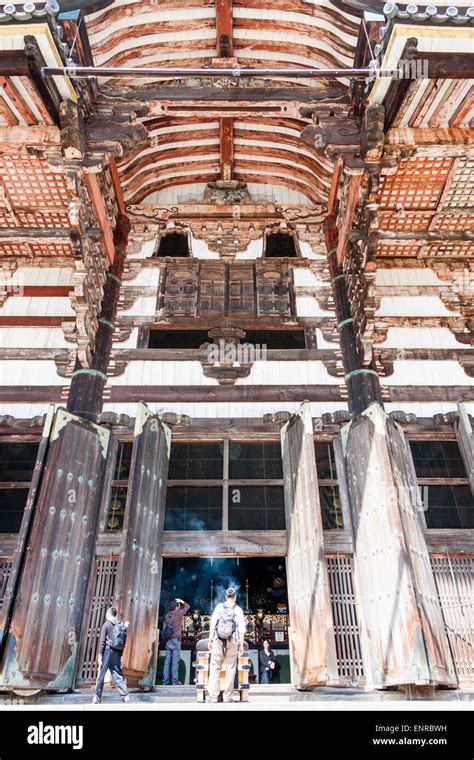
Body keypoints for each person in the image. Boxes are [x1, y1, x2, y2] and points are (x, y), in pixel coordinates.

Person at [207, 587, 246, 704]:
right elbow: (242, 629)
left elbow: (213, 624)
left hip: (218, 640)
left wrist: (210, 640)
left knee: (215, 667)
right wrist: (241, 644)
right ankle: (227, 697)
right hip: (233, 640)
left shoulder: (219, 607)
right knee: (231, 668)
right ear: (235, 596)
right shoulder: (238, 609)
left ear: (225, 596)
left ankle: (213, 696)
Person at [92, 606, 130, 704]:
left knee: (101, 675)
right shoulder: (120, 625)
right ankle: (125, 696)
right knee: (117, 675)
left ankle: (97, 698)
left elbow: (102, 641)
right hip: (117, 653)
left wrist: (100, 655)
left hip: (107, 652)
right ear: (115, 615)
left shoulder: (106, 625)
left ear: (108, 614)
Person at [162, 597, 190, 686]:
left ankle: (165, 682)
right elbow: (187, 606)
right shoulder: (178, 614)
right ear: (176, 607)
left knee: (167, 662)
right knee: (175, 662)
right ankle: (175, 682)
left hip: (169, 641)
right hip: (176, 640)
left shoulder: (167, 616)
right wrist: (181, 601)